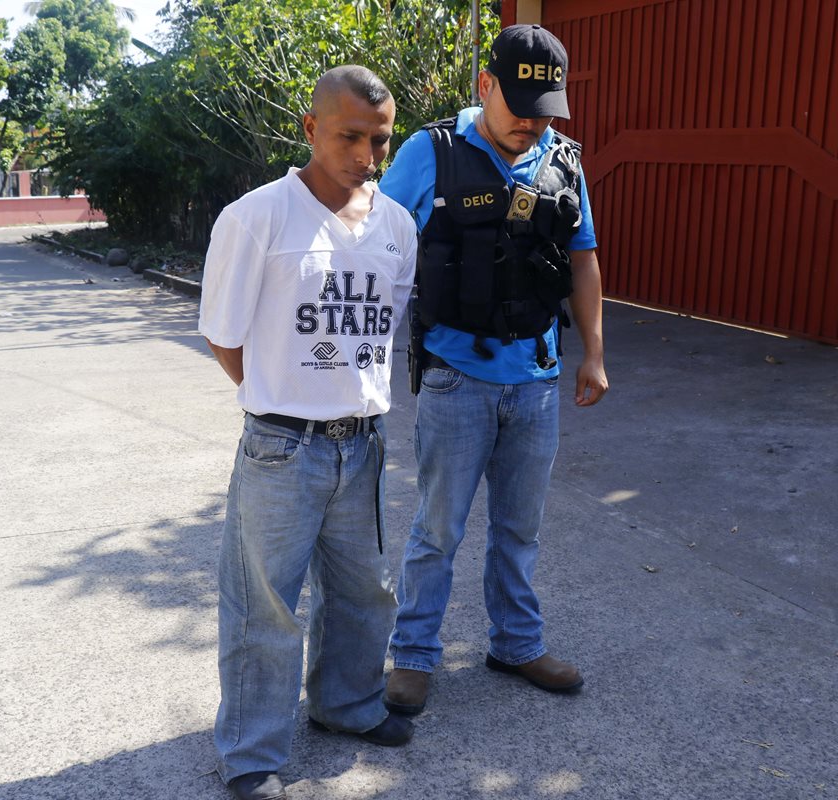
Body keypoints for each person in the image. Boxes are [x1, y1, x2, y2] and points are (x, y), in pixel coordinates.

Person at [198, 65, 417, 800]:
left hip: (365, 442)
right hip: (281, 447)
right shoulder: (257, 217)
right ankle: (250, 752)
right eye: (349, 136)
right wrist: (280, 399)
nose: (365, 155)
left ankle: (348, 705)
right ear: (311, 127)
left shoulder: (397, 225)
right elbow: (224, 335)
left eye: (379, 140)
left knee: (365, 592)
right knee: (264, 605)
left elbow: (384, 330)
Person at [378, 24, 609, 716]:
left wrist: (595, 353)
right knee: (437, 530)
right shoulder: (430, 153)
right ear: (485, 86)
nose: (532, 123)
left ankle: (516, 644)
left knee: (520, 529)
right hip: (456, 378)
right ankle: (413, 655)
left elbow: (583, 259)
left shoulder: (563, 161)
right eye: (520, 106)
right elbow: (375, 244)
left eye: (546, 109)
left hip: (536, 380)